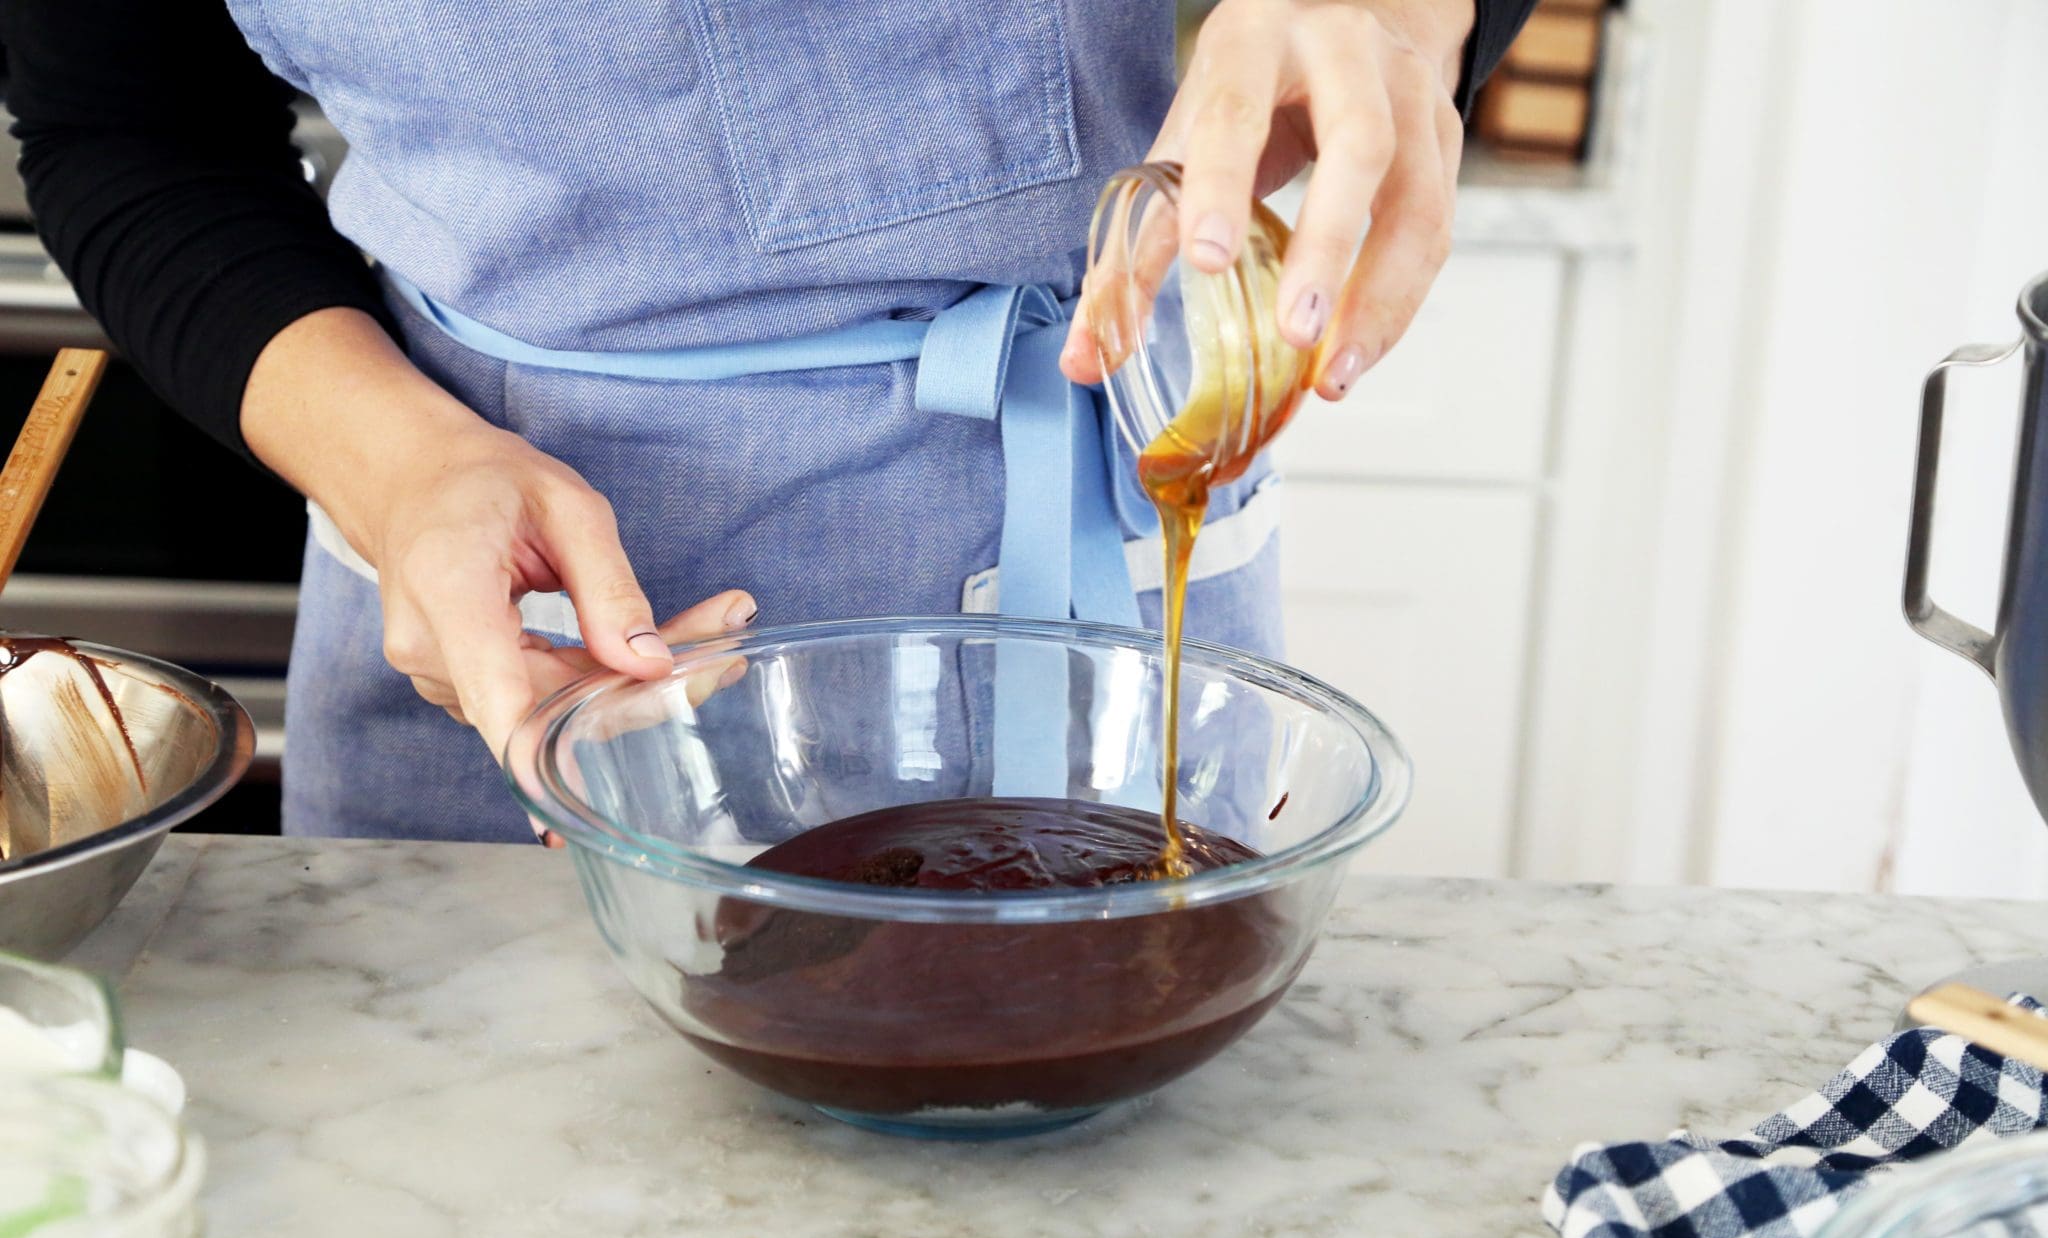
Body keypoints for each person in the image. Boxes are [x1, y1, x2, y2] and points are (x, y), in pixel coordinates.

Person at [2, 0, 1538, 843]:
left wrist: (1399, 14)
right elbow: (127, 126)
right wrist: (401, 467)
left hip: (1108, 587)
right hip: (507, 648)